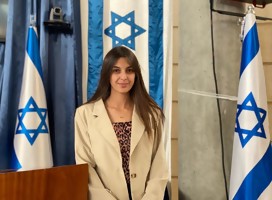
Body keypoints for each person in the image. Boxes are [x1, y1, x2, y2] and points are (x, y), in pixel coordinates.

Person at [74, 46, 169, 200]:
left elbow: (159, 166)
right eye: (116, 70)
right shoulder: (85, 114)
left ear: (136, 74)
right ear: (107, 74)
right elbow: (85, 167)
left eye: (130, 70)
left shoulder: (152, 114)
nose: (124, 77)